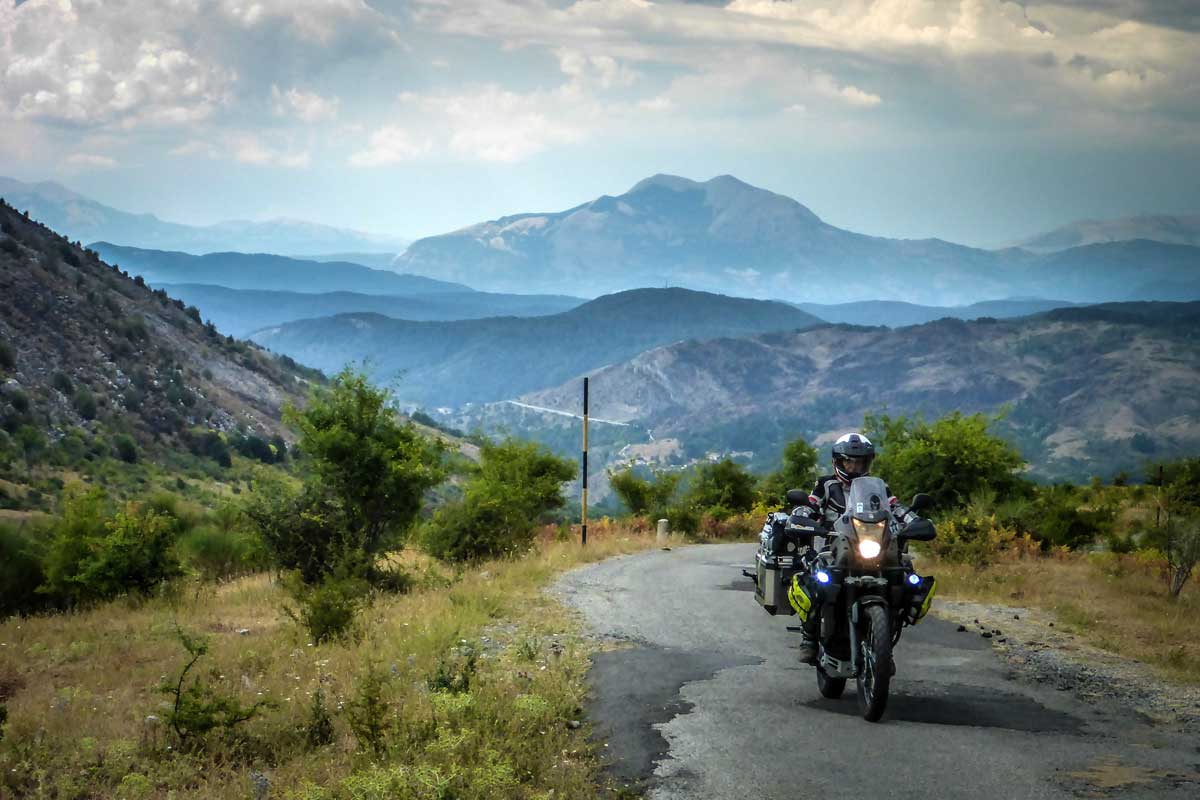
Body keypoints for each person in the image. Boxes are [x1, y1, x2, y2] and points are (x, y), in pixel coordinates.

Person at [794, 432, 891, 664]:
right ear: (838, 462)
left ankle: (884, 647)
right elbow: (811, 504)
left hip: (868, 546)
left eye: (860, 462)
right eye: (849, 462)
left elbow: (895, 508)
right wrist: (802, 515)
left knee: (901, 577)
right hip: (831, 549)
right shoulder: (825, 484)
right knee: (815, 584)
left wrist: (911, 519)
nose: (855, 467)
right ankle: (809, 638)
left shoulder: (878, 487)